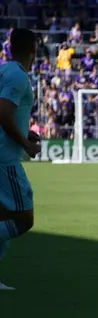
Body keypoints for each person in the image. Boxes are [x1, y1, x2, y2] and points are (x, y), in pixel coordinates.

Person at [0, 28, 41, 290]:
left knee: (3, 214)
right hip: (5, 158)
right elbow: (3, 114)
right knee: (24, 218)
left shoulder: (5, 70)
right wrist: (25, 143)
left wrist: (25, 130)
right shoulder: (18, 77)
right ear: (33, 51)